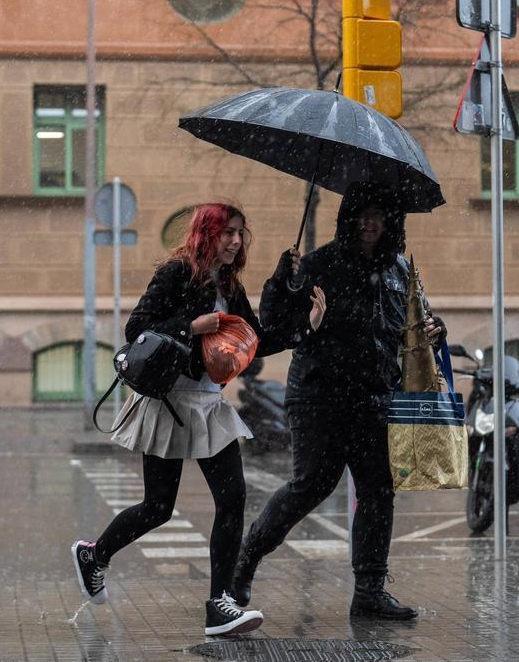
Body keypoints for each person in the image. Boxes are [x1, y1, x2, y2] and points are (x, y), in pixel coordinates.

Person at [71, 202, 327, 636]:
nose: (234, 240)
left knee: (233, 500)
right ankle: (93, 555)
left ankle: (218, 605)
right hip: (170, 402)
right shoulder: (176, 273)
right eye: (227, 232)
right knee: (157, 508)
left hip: (208, 405)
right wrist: (192, 325)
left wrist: (306, 324)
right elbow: (137, 330)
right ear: (207, 233)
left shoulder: (229, 283)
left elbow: (253, 341)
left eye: (240, 233)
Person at [232, 182, 445, 620]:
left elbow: (416, 325)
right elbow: (276, 327)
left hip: (375, 397)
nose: (371, 223)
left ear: (392, 223)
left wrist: (435, 330)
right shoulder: (318, 264)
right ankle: (244, 562)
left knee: (377, 490)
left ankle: (368, 591)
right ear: (348, 219)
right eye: (362, 214)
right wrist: (282, 282)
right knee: (311, 485)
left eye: (379, 215)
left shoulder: (400, 271)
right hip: (319, 395)